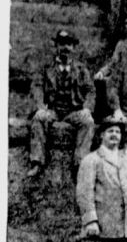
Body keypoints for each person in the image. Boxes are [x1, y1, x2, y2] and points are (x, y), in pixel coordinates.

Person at [29, 29, 95, 176]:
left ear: (73, 48)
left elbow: (90, 90)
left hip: (73, 111)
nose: (65, 48)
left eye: (69, 45)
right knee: (38, 119)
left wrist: (87, 108)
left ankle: (80, 163)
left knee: (88, 121)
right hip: (52, 110)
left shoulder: (81, 69)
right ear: (56, 46)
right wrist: (40, 107)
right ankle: (37, 162)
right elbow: (37, 87)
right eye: (61, 44)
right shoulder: (46, 68)